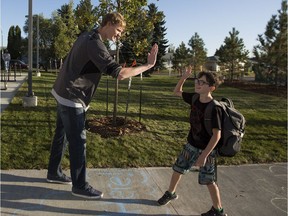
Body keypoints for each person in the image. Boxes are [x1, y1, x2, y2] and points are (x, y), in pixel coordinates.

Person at [46, 12, 158, 199]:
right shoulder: (95, 43)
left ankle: (53, 172)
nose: (120, 35)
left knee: (61, 135)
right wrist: (147, 66)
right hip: (72, 96)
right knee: (78, 143)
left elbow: (92, 62)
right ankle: (79, 185)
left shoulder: (87, 35)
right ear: (108, 23)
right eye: (119, 30)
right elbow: (119, 74)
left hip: (62, 91)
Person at [157, 66, 227, 216]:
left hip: (207, 150)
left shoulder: (215, 108)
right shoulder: (195, 98)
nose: (198, 84)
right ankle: (171, 193)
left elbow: (217, 136)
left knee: (209, 181)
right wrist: (184, 77)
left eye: (202, 82)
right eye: (197, 80)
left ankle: (218, 210)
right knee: (178, 169)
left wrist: (204, 156)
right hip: (191, 145)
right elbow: (176, 92)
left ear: (211, 88)